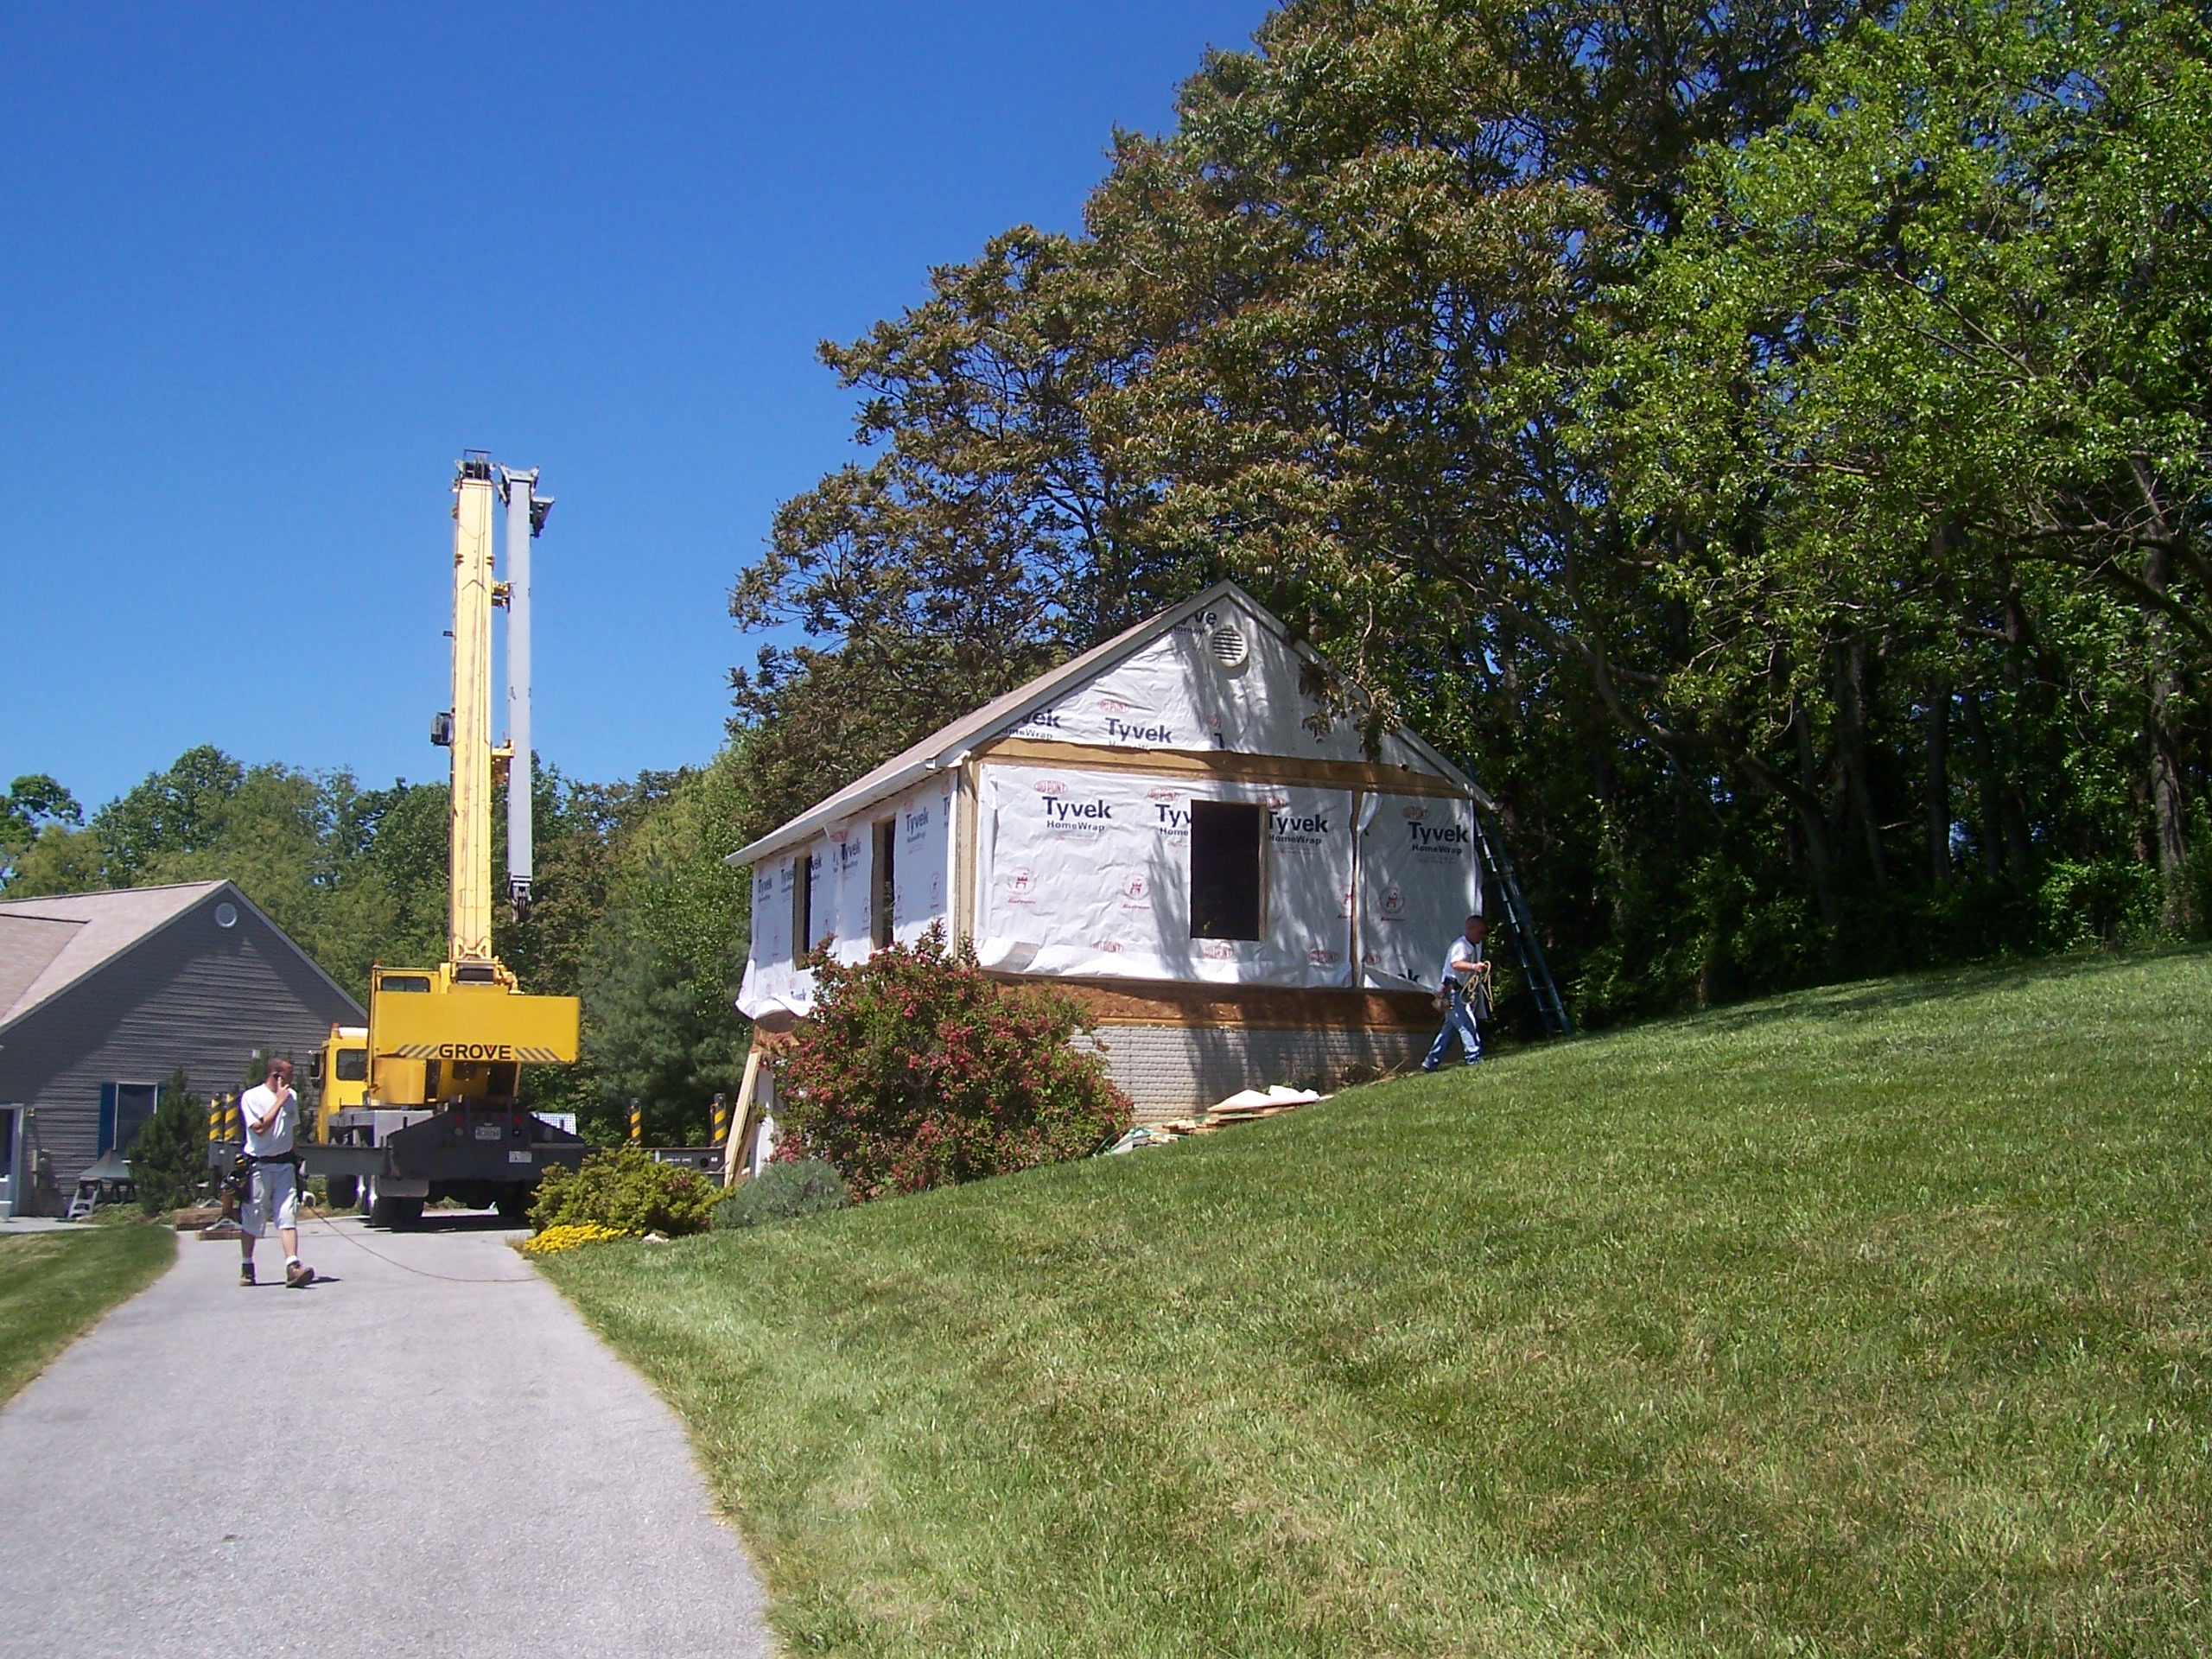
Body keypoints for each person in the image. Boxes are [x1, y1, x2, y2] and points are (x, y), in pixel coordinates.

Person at [238, 1059, 314, 1287]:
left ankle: (293, 1265)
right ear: (276, 1075)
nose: (292, 1080)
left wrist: (297, 1164)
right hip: (259, 1166)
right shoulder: (252, 1098)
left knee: (287, 1215)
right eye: (289, 1076)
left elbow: (290, 1132)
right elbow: (259, 1130)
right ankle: (247, 1266)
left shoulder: (293, 1097)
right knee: (253, 1216)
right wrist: (279, 1102)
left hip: (285, 1166)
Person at [1421, 915, 1490, 1071]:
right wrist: (1474, 967)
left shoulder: (1468, 946)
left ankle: (1430, 1063)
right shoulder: (1462, 945)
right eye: (1480, 932)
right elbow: (1456, 964)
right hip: (1453, 993)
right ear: (1470, 929)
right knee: (1466, 1025)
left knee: (1449, 1031)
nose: (1481, 937)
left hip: (1455, 992)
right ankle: (1474, 1058)